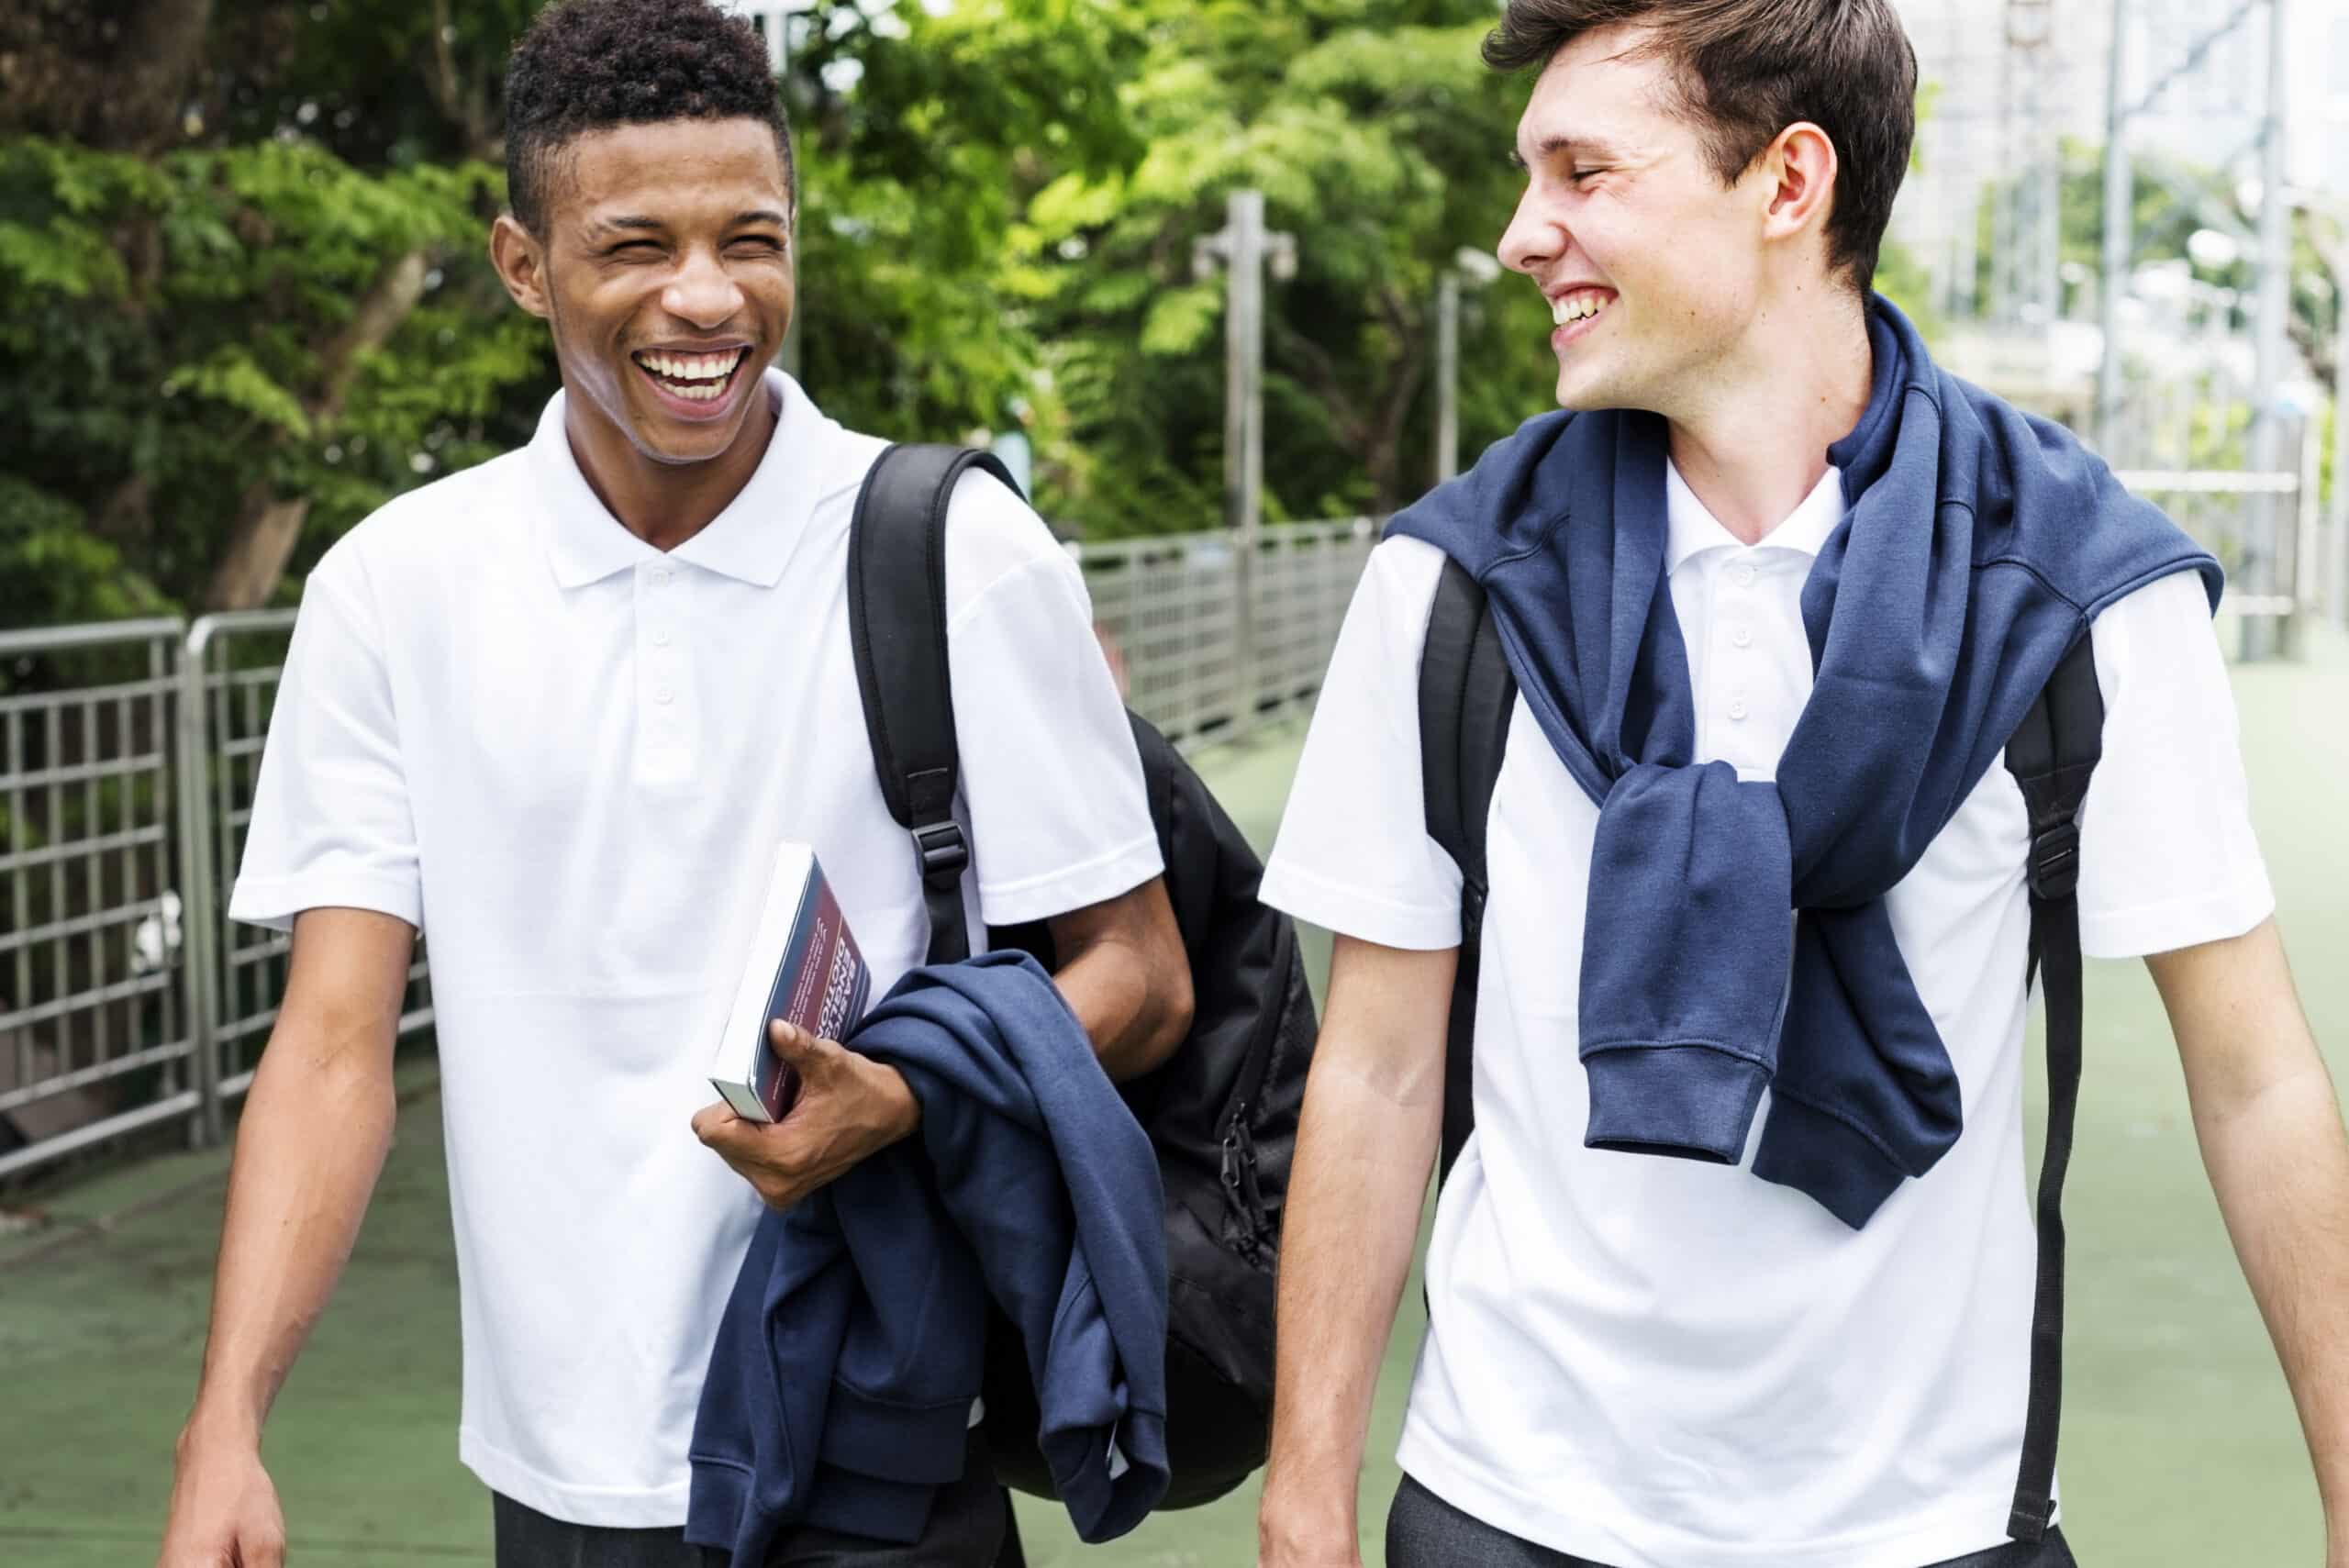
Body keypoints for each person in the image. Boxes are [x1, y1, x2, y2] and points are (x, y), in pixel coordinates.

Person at [1252, 4, 2349, 1567]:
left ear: (1787, 185)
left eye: (1583, 172)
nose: (1521, 234)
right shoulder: (1456, 584)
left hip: (1932, 1519)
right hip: (1512, 1499)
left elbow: (2255, 1079)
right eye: (1527, 176)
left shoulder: (2081, 587)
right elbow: (1374, 1070)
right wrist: (1304, 1502)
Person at [154, 2, 1191, 1564]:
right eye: (635, 245)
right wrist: (226, 1420)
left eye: (750, 240)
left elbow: (1144, 972)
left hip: (885, 1422)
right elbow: (329, 1042)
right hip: (556, 1465)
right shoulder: (398, 585)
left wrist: (896, 1099)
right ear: (524, 266)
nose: (704, 298)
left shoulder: (957, 553)